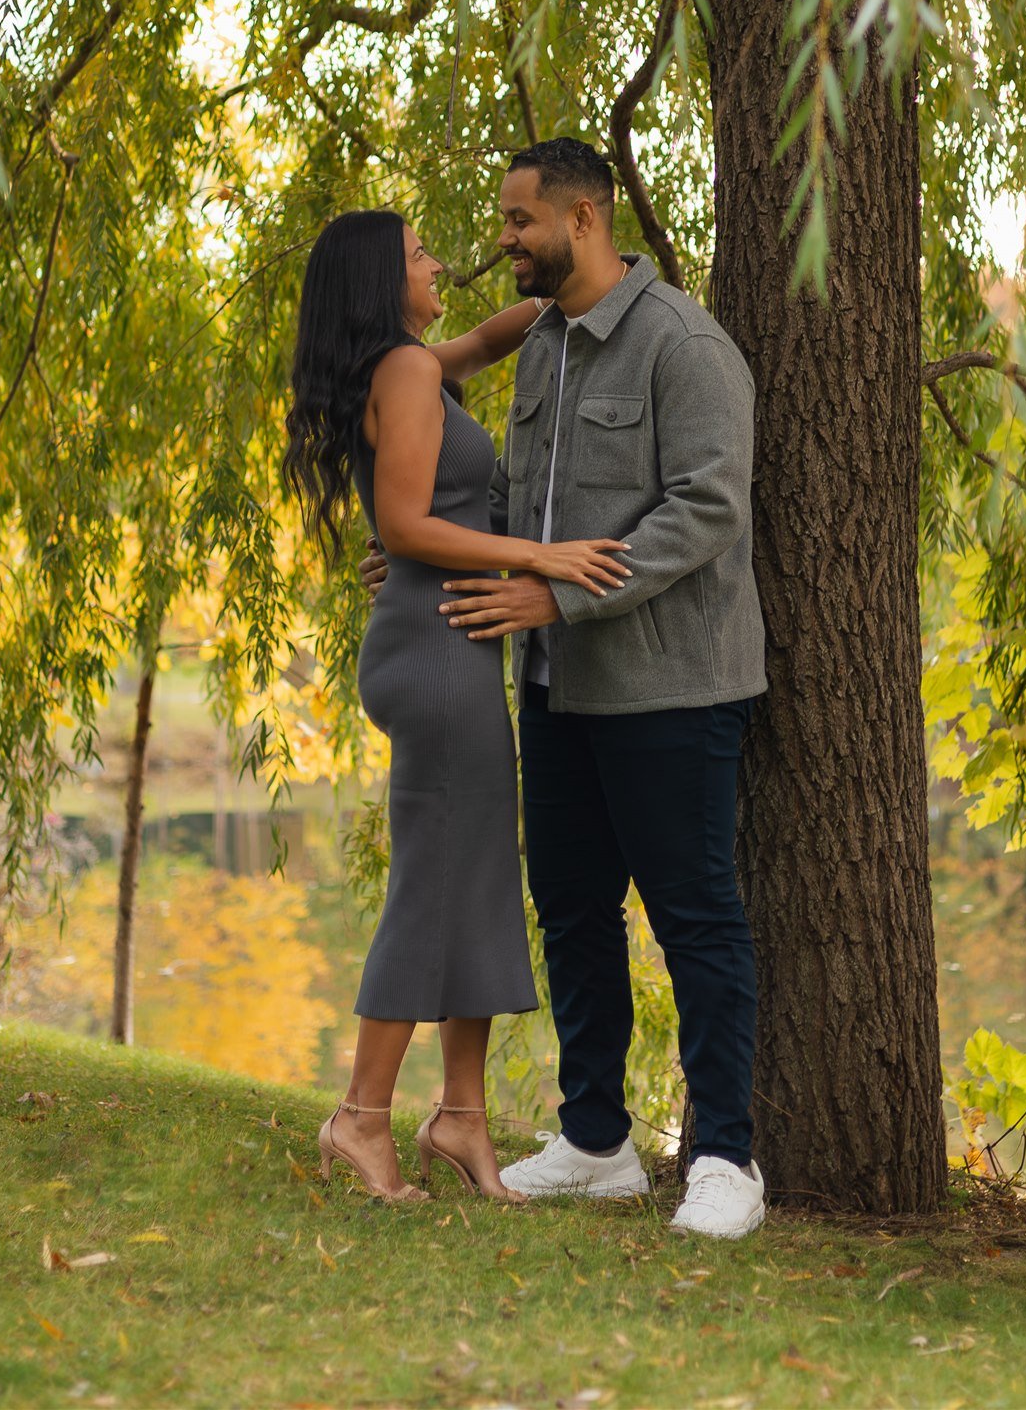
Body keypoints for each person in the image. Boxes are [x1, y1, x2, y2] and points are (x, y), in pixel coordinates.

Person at [367, 139, 769, 1239]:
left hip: (672, 685)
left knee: (694, 916)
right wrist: (426, 551)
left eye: (517, 219)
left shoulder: (682, 346)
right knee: (575, 913)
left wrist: (561, 600)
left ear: (582, 219)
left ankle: (725, 1155)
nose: (502, 237)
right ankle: (597, 1141)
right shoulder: (542, 346)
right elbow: (509, 504)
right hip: (554, 691)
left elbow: (706, 507)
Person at [283, 208, 632, 1204]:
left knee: (475, 877)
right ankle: (360, 1115)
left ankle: (463, 1119)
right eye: (419, 254)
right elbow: (402, 519)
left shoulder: (411, 364)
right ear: (375, 282)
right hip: (436, 650)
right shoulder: (399, 372)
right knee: (434, 884)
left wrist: (584, 273)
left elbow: (487, 336)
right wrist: (536, 553)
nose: (439, 263)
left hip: (447, 646)